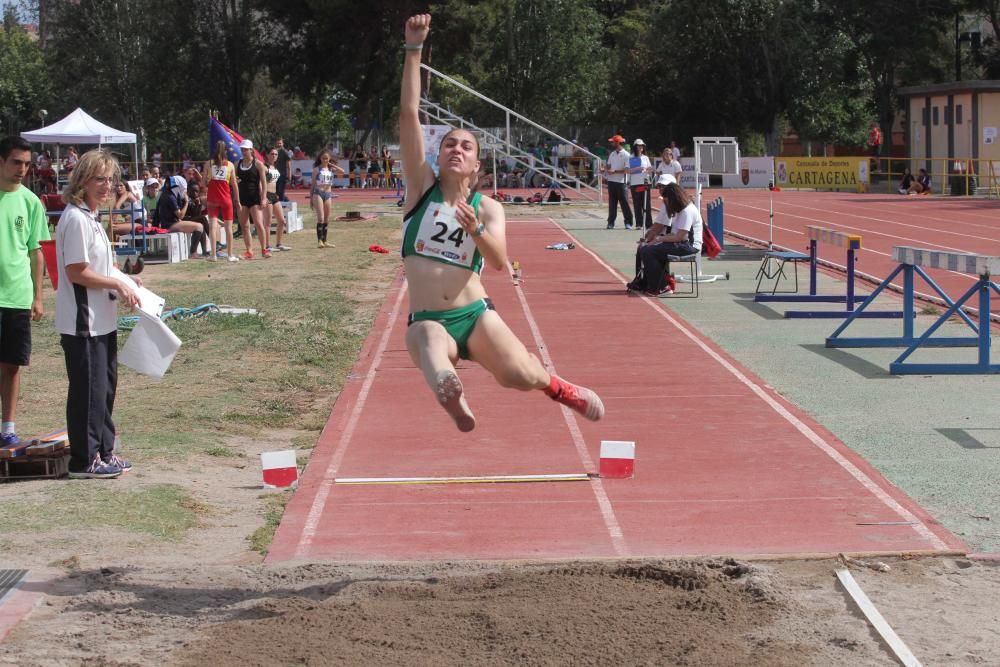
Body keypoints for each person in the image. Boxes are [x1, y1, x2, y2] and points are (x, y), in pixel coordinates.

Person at [398, 13, 604, 433]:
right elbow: (408, 114)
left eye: (466, 146)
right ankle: (450, 394)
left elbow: (498, 263)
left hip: (473, 314)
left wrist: (475, 228)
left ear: (477, 164)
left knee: (519, 375)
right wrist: (414, 49)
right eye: (449, 144)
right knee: (429, 343)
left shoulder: (488, 207)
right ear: (437, 158)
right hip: (427, 316)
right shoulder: (421, 189)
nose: (456, 149)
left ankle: (559, 387)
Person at [55, 149, 140, 479]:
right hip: (83, 322)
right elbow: (77, 272)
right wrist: (115, 285)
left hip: (102, 320)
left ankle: (104, 451)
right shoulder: (75, 218)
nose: (107, 186)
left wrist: (125, 280)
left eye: (111, 179)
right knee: (87, 391)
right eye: (99, 179)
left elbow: (105, 267)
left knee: (104, 387)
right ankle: (84, 459)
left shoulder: (91, 218)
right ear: (82, 181)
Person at [0, 136, 50, 447]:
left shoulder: (31, 202)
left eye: (27, 163)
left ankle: (7, 428)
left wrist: (38, 296)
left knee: (12, 364)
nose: (22, 169)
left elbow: (36, 251)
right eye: (16, 162)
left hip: (17, 296)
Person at [628, 180, 703, 297]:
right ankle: (649, 283)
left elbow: (680, 236)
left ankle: (662, 287)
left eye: (667, 200)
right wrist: (656, 240)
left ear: (673, 198)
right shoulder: (680, 210)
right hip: (681, 243)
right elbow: (674, 235)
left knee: (649, 251)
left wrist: (658, 239)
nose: (666, 203)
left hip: (689, 246)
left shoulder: (687, 211)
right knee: (645, 247)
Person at [204, 139, 241, 262]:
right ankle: (230, 255)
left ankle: (213, 255)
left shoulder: (208, 164)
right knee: (228, 228)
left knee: (212, 226)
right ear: (226, 151)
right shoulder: (230, 165)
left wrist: (207, 182)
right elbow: (234, 184)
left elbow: (203, 182)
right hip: (226, 199)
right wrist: (238, 201)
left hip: (212, 199)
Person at [153, 176, 207, 258]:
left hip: (171, 222)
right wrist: (186, 202)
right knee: (199, 226)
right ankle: (193, 253)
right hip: (169, 225)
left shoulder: (167, 194)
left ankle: (204, 251)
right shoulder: (170, 197)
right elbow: (181, 215)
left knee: (200, 223)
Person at [235, 139, 270, 259]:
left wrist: (264, 198)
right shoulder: (237, 164)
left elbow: (264, 183)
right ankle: (249, 251)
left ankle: (264, 249)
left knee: (259, 224)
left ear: (251, 150)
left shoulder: (258, 164)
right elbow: (233, 181)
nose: (243, 151)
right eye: (242, 149)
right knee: (244, 226)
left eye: (246, 149)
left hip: (254, 198)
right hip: (242, 198)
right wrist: (236, 198)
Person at [311, 149, 345, 248]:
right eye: (323, 158)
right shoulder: (317, 169)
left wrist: (331, 164)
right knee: (320, 218)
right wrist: (310, 198)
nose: (325, 160)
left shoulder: (330, 169)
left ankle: (325, 241)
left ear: (329, 159)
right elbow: (313, 184)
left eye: (326, 158)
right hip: (318, 193)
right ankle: (319, 241)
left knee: (326, 218)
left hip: (328, 194)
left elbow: (342, 171)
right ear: (320, 159)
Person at [604, 134, 633, 229]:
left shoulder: (626, 155)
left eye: (613, 141)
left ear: (617, 142)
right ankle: (610, 223)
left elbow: (627, 170)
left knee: (624, 203)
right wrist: (603, 169)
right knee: (612, 204)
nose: (611, 143)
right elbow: (608, 166)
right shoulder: (612, 154)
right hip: (611, 182)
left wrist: (614, 171)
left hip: (621, 183)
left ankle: (628, 222)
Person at [264, 147, 291, 252]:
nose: (274, 156)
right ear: (267, 155)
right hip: (267, 195)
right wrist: (263, 197)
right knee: (268, 222)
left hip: (274, 195)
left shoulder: (274, 167)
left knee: (282, 220)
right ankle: (267, 246)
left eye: (275, 154)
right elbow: (261, 183)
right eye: (271, 154)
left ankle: (279, 244)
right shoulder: (264, 167)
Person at [628, 138, 653, 230]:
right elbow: (627, 170)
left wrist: (649, 170)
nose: (640, 147)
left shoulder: (645, 157)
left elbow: (650, 168)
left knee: (647, 204)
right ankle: (639, 223)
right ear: (635, 147)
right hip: (635, 184)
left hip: (645, 183)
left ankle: (649, 224)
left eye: (641, 146)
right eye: (638, 146)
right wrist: (637, 169)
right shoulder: (630, 157)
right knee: (637, 204)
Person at [274, 137, 291, 202]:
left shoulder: (285, 152)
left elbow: (289, 165)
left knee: (280, 191)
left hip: (282, 174)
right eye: (278, 143)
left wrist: (289, 176)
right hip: (275, 174)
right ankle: (286, 201)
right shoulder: (274, 151)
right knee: (276, 190)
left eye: (280, 143)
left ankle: (282, 204)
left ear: (283, 144)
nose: (279, 144)